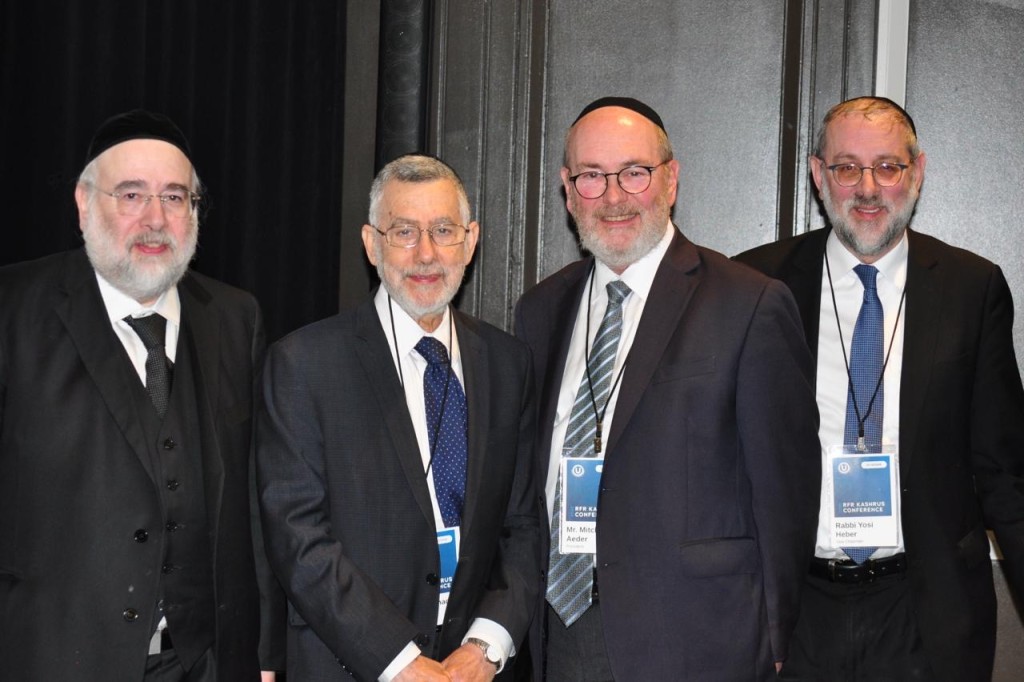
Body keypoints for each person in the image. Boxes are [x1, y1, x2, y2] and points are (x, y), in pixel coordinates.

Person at [514, 97, 821, 680]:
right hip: (560, 634)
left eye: (634, 172)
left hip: (698, 637)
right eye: (591, 176)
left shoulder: (748, 302)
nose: (613, 196)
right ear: (566, 185)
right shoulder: (541, 310)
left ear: (671, 178)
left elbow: (787, 488)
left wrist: (778, 636)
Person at [735, 95, 1024, 681]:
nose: (868, 188)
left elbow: (1005, 472)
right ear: (819, 176)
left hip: (926, 611)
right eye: (847, 168)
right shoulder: (754, 284)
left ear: (917, 172)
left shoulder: (972, 289)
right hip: (794, 613)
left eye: (888, 166)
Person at [0, 110, 283, 680]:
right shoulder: (13, 309)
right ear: (84, 204)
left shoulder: (234, 317)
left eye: (175, 198)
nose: (156, 219)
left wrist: (263, 656)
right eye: (132, 195)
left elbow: (259, 505)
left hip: (204, 661)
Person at [256, 154, 540, 681]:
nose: (426, 254)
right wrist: (401, 662)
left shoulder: (508, 364)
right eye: (404, 231)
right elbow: (299, 539)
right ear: (371, 243)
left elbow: (523, 527)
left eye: (443, 230)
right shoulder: (304, 364)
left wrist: (486, 647)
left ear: (471, 239)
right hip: (355, 667)